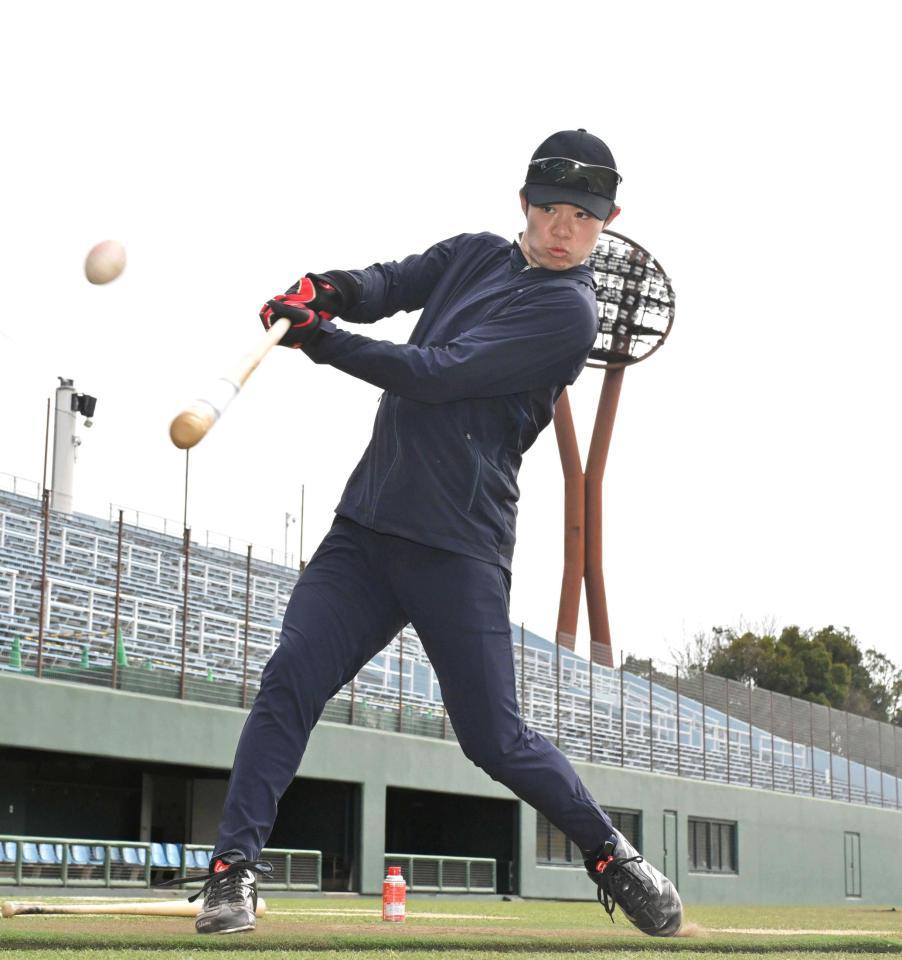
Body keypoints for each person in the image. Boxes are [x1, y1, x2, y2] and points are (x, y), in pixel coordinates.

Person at [189, 129, 683, 937]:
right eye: (551, 208)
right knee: (289, 682)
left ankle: (610, 857)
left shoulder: (569, 312)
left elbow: (439, 374)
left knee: (494, 740)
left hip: (458, 548)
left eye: (583, 216)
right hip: (367, 529)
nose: (564, 227)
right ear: (523, 201)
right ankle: (230, 873)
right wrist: (327, 290)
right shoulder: (472, 254)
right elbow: (389, 283)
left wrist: (321, 338)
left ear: (608, 221)